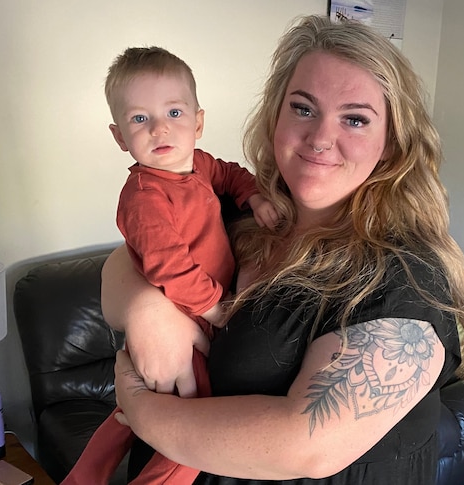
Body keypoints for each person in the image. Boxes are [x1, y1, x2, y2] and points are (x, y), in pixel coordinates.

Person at [102, 15, 464, 484]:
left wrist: (139, 406)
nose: (320, 139)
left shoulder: (405, 278)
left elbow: (303, 446)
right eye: (304, 109)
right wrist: (150, 310)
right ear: (275, 118)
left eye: (354, 119)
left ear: (390, 144)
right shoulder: (242, 208)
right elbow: (121, 263)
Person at [62, 46, 278, 485]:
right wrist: (216, 308)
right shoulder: (144, 197)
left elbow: (229, 173)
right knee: (193, 432)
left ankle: (85, 474)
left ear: (198, 122)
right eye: (140, 119)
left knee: (132, 414)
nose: (160, 128)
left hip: (192, 313)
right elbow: (168, 268)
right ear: (119, 136)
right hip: (185, 319)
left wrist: (253, 195)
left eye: (174, 112)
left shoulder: (196, 164)